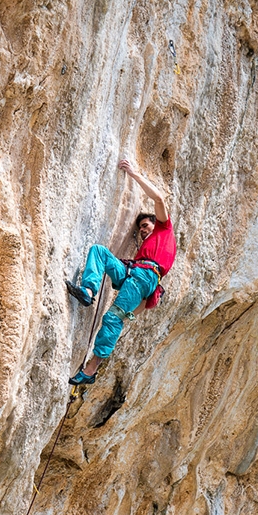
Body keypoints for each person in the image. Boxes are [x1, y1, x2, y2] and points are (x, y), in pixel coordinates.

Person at [66, 159, 177, 385]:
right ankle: (88, 290)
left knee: (113, 317)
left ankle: (91, 370)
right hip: (132, 272)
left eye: (147, 226)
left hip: (144, 276)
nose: (144, 230)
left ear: (158, 224)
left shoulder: (165, 230)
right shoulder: (143, 252)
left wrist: (134, 174)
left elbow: (158, 199)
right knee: (99, 252)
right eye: (141, 228)